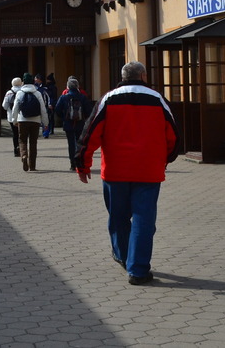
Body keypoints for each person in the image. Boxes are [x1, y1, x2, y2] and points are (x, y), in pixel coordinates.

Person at [75, 61, 179, 286]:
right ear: (143, 76)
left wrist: (82, 165)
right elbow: (173, 134)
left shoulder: (108, 99)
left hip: (115, 171)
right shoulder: (157, 99)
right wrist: (166, 159)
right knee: (144, 219)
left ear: (122, 76)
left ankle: (122, 255)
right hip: (148, 171)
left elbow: (89, 133)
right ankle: (138, 270)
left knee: (118, 216)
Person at [10, 73, 49, 171]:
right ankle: (32, 166)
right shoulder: (37, 93)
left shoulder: (20, 93)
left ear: (23, 81)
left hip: (22, 120)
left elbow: (15, 108)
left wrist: (14, 120)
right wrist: (45, 122)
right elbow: (43, 109)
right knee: (33, 143)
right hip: (35, 121)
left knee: (22, 140)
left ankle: (23, 155)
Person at [54, 76, 93, 170]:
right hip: (80, 123)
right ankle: (80, 162)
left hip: (68, 124)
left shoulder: (63, 97)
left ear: (68, 87)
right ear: (77, 86)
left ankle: (72, 164)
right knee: (80, 143)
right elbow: (89, 111)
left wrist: (64, 117)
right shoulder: (83, 97)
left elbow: (57, 109)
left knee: (71, 144)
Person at [1, 77, 23, 157]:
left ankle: (15, 150)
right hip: (22, 116)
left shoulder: (9, 93)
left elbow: (4, 106)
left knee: (15, 134)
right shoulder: (23, 91)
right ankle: (23, 149)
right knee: (22, 134)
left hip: (11, 117)